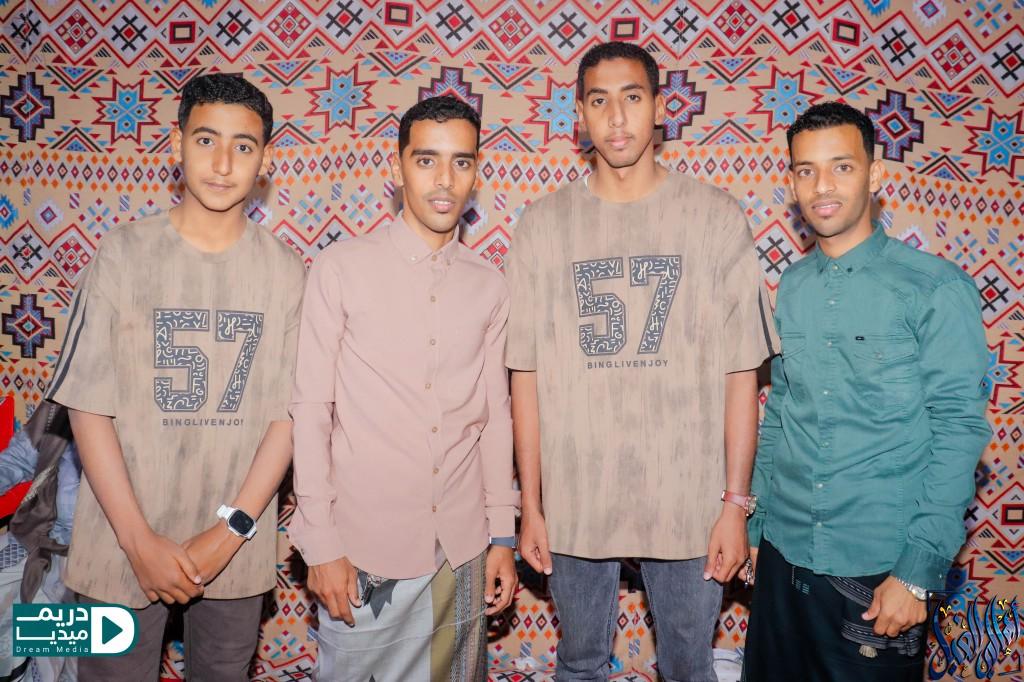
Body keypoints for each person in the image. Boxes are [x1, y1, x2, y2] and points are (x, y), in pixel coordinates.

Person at [505, 42, 775, 681]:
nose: (617, 116)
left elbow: (742, 374)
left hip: (688, 500)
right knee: (579, 663)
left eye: (632, 97)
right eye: (599, 101)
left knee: (688, 668)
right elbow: (526, 377)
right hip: (575, 498)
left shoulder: (714, 217)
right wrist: (532, 505)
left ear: (660, 108)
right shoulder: (543, 225)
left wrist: (734, 506)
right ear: (579, 115)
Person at [45, 73, 305, 681]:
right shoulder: (121, 252)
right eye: (206, 140)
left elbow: (288, 418)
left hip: (235, 552)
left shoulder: (287, 273)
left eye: (244, 146)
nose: (223, 163)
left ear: (266, 160)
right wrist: (138, 541)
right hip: (117, 544)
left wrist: (230, 532)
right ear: (176, 144)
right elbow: (87, 407)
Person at [743, 101, 990, 681]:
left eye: (842, 167)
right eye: (806, 170)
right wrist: (756, 526)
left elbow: (959, 431)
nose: (822, 186)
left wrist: (916, 572)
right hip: (782, 553)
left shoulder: (934, 288)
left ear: (875, 174)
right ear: (792, 183)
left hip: (877, 569)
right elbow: (781, 413)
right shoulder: (792, 286)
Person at [288, 95, 519, 681]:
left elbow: (495, 417)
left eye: (461, 162)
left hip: (462, 551)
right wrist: (321, 542)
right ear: (398, 168)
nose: (445, 180)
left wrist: (502, 535)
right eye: (426, 160)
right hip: (362, 549)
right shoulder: (340, 268)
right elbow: (310, 411)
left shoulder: (490, 285)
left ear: (476, 172)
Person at [0, 402, 80, 682]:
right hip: (32, 536)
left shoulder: (142, 423)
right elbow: (17, 459)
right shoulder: (60, 407)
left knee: (62, 660)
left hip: (91, 564)